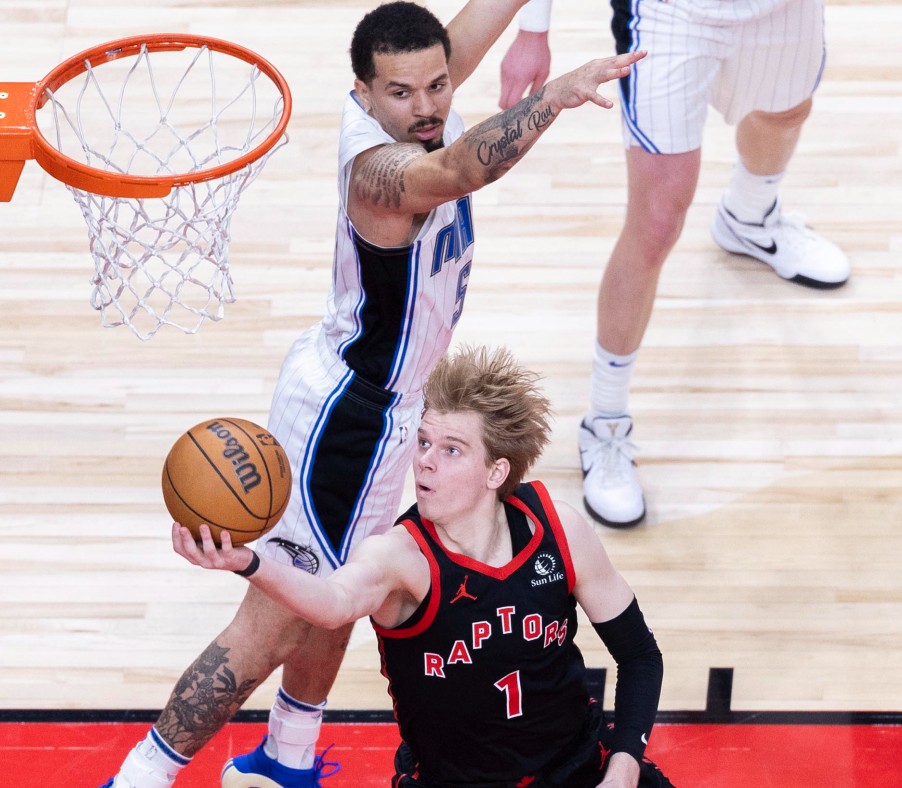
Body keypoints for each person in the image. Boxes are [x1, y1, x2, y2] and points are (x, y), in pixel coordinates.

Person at [104, 3, 645, 787]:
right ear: (364, 93)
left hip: (393, 410)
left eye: (438, 85)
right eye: (402, 92)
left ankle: (286, 760)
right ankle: (142, 774)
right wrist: (554, 97)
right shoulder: (380, 176)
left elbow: (451, 52)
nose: (426, 106)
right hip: (348, 418)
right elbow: (460, 171)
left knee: (350, 582)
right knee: (278, 617)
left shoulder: (415, 102)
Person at [495, 0, 902, 527]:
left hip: (784, 8)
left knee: (786, 113)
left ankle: (749, 217)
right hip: (670, 13)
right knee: (656, 222)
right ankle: (605, 422)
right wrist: (533, 29)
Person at [171, 345, 671, 788]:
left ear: (496, 471)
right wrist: (248, 562)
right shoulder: (399, 557)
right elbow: (332, 603)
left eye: (451, 450)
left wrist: (623, 768)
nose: (425, 461)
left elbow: (640, 655)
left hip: (578, 770)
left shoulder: (557, 530)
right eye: (424, 441)